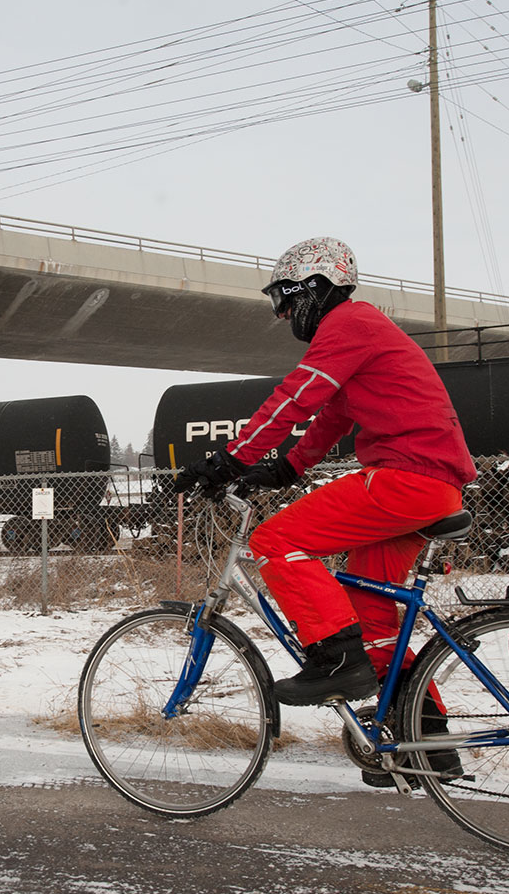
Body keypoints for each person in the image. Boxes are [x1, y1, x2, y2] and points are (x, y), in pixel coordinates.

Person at [171, 237, 476, 780]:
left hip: (404, 477)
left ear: (313, 287)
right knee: (370, 615)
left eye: (286, 299)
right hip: (430, 484)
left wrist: (232, 459)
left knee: (274, 542)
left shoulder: (350, 324)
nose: (284, 312)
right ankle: (425, 741)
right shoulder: (363, 333)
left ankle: (336, 660)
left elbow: (299, 394)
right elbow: (332, 415)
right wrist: (288, 467)